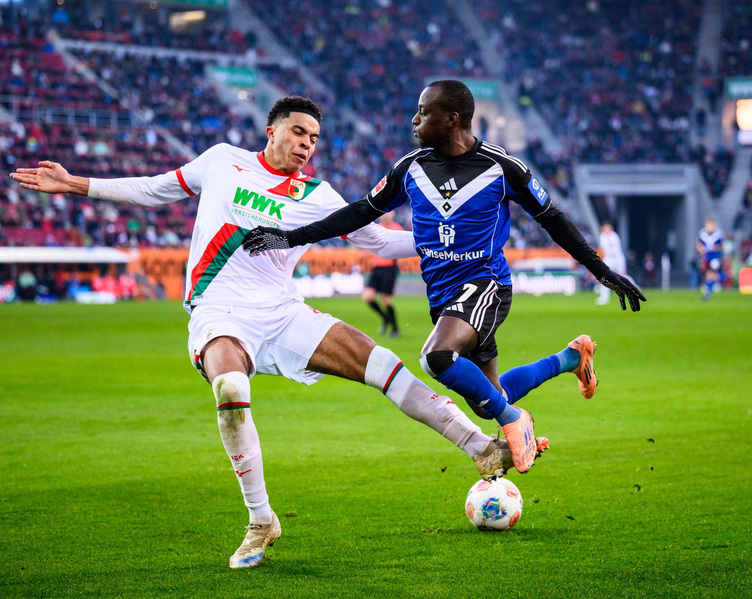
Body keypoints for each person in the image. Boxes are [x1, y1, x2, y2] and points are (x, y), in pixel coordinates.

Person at [10, 96, 520, 569]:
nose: (306, 144)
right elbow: (154, 189)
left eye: (314, 139)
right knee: (230, 388)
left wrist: (454, 238)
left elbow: (380, 242)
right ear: (272, 130)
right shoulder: (223, 161)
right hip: (219, 312)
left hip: (281, 310)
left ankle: (480, 446)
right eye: (298, 132)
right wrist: (78, 184)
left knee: (382, 363)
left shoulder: (319, 195)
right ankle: (261, 519)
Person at [242, 81, 646, 476]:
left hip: (486, 285)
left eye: (423, 112)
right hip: (443, 296)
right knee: (490, 397)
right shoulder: (410, 168)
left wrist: (602, 271)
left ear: (452, 119)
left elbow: (553, 219)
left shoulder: (501, 168)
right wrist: (289, 237)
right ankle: (572, 358)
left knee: (436, 358)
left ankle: (515, 420)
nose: (414, 120)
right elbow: (359, 211)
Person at [362, 212, 403, 336]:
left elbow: (401, 247)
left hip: (389, 267)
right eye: (384, 213)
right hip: (376, 268)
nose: (385, 215)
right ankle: (386, 318)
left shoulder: (396, 228)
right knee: (367, 297)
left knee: (386, 300)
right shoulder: (377, 227)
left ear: (393, 214)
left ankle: (395, 328)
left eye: (388, 213)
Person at [596, 221, 627, 305]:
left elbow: (617, 250)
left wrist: (621, 265)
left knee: (623, 276)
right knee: (603, 276)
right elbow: (602, 249)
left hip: (617, 258)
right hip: (608, 259)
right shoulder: (602, 236)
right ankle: (604, 297)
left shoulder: (614, 236)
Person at [697, 216, 724, 301]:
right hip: (706, 257)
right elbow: (698, 245)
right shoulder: (702, 233)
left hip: (715, 256)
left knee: (711, 273)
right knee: (709, 274)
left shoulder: (719, 234)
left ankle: (708, 292)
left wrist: (716, 247)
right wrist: (702, 250)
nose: (709, 227)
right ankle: (719, 280)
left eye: (711, 225)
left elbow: (722, 246)